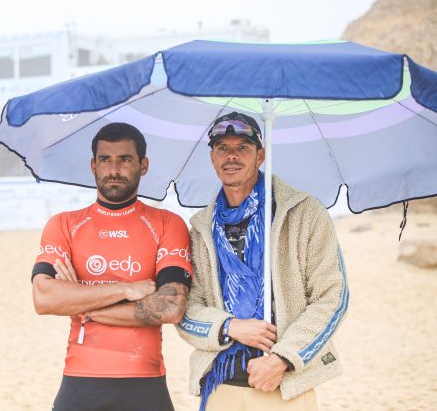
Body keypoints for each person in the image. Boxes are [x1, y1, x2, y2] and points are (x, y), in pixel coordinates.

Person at [176, 111, 348, 411]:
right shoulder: (201, 228)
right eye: (222, 148)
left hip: (285, 385)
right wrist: (229, 326)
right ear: (213, 159)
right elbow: (187, 307)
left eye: (242, 147)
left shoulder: (304, 213)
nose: (231, 156)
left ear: (261, 155)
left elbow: (332, 297)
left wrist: (283, 358)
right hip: (220, 385)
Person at [32, 122, 193, 411]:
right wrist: (126, 288)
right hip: (80, 380)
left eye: (125, 159)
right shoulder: (65, 225)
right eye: (105, 159)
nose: (114, 169)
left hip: (145, 381)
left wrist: (79, 301)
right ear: (93, 165)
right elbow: (44, 298)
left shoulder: (168, 224)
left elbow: (170, 306)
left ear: (143, 166)